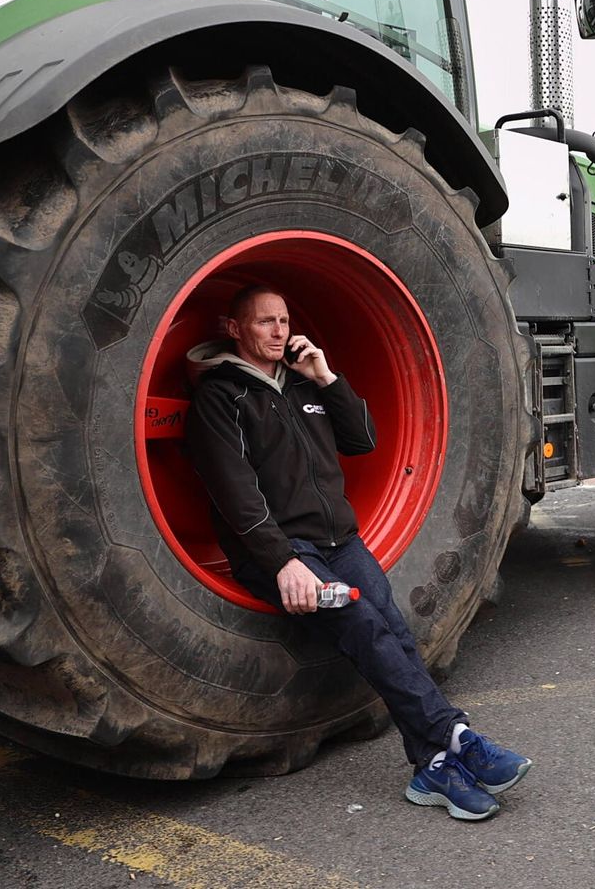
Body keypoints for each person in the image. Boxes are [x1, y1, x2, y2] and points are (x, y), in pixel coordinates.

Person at [186, 285, 529, 822]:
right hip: (283, 549)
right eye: (263, 323)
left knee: (392, 627)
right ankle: (456, 736)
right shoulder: (220, 397)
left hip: (341, 543)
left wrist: (326, 377)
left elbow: (363, 439)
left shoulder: (305, 386)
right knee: (363, 624)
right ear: (234, 329)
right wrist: (282, 562)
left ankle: (432, 765)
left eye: (283, 320)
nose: (278, 333)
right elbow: (234, 493)